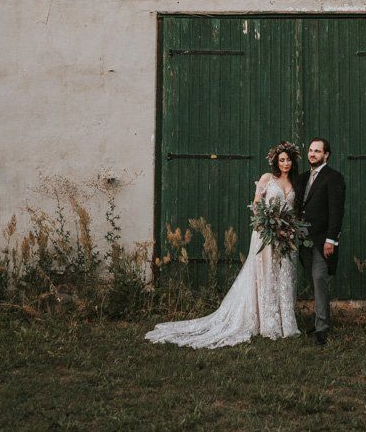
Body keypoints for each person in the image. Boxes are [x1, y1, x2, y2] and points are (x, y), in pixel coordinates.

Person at [144, 141, 301, 349]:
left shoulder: (295, 183)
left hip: (286, 236)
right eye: (282, 160)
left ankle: (286, 324)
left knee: (283, 276)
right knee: (266, 274)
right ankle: (267, 323)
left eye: (288, 159)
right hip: (265, 234)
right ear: (275, 161)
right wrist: (266, 221)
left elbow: (294, 210)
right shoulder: (267, 179)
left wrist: (288, 228)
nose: (285, 163)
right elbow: (256, 204)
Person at [293, 137, 345, 346]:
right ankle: (318, 321)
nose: (312, 154)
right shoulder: (303, 178)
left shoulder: (334, 178)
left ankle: (322, 329)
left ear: (326, 155)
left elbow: (336, 211)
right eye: (310, 150)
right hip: (304, 240)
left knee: (319, 280)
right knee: (315, 282)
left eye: (317, 151)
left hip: (322, 240)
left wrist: (331, 240)